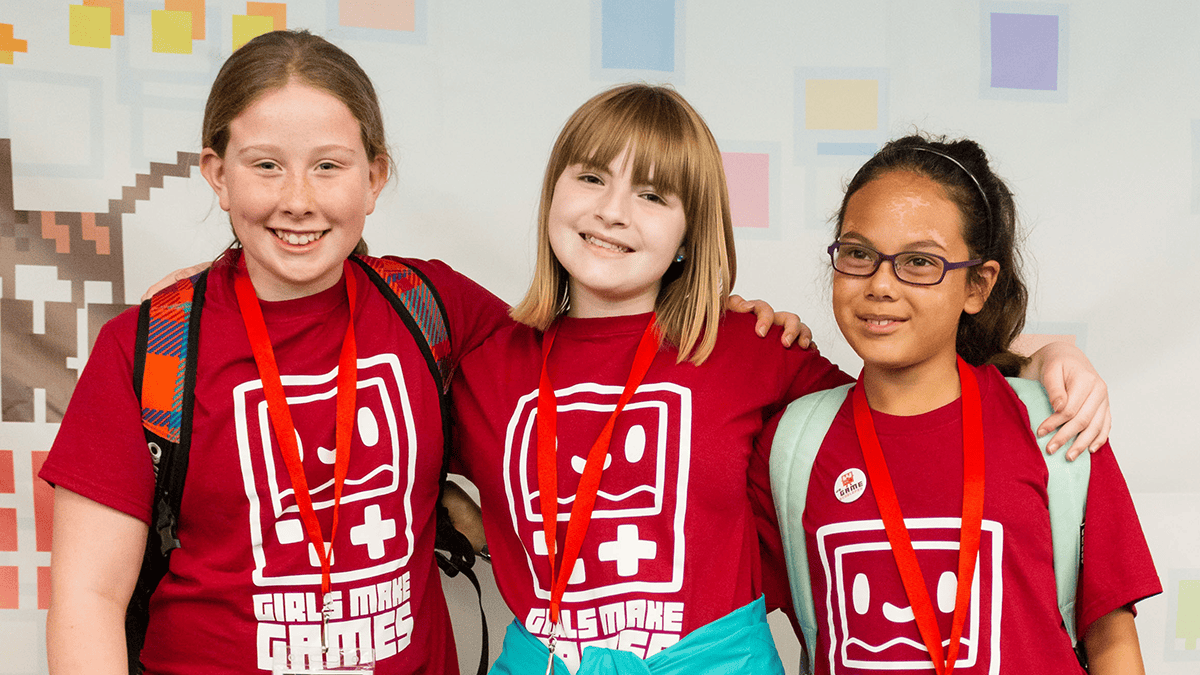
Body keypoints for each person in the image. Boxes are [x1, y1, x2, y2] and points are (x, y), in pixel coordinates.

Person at [446, 86, 1113, 674]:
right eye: (591, 178)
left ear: (689, 234)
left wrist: (1040, 355)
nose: (614, 211)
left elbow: (909, 399)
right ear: (552, 191)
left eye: (652, 194)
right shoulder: (486, 363)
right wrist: (466, 519)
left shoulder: (754, 347)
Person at [40, 30, 515, 675]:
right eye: (266, 165)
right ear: (218, 175)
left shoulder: (435, 308)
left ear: (374, 177)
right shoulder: (148, 348)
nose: (298, 200)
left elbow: (590, 380)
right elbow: (88, 600)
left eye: (329, 165)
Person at [767, 135, 1161, 674]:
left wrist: (1051, 353)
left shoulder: (1055, 422)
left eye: (919, 262)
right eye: (858, 254)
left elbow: (1112, 640)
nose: (881, 284)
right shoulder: (792, 445)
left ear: (977, 285)